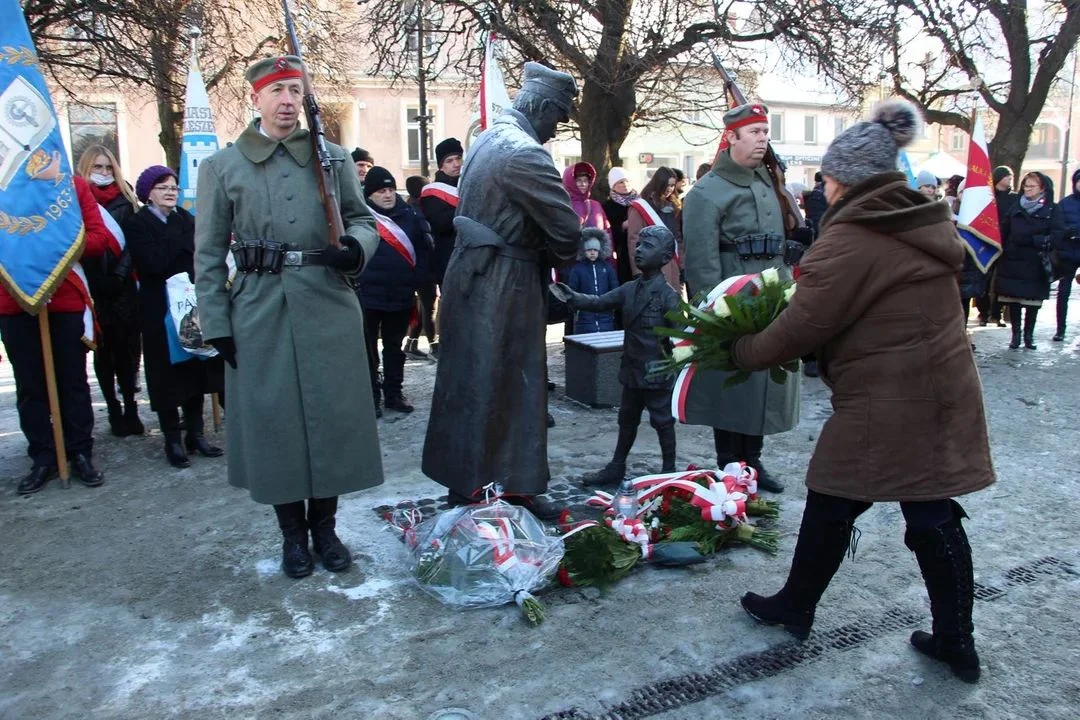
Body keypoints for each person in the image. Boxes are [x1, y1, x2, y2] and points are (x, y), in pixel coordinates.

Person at [733, 99, 994, 684]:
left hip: (890, 395)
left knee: (843, 494)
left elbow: (804, 325)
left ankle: (798, 606)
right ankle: (955, 640)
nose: (822, 189)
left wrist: (741, 351)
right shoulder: (918, 219)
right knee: (916, 504)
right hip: (937, 387)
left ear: (848, 181)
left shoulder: (855, 236)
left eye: (826, 178)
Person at [194, 55, 383, 579]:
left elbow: (364, 219)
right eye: (276, 91)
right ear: (255, 97)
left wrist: (356, 248)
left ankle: (326, 527)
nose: (286, 101)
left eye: (295, 91)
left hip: (327, 300)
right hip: (259, 307)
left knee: (332, 420)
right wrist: (217, 324)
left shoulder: (333, 158)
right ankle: (292, 536)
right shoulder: (223, 166)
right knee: (276, 423)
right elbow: (208, 256)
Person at [422, 62, 581, 520]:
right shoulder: (525, 153)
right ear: (540, 105)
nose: (555, 128)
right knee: (515, 384)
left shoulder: (487, 138)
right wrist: (550, 251)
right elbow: (567, 232)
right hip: (506, 284)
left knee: (474, 380)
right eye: (557, 116)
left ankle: (467, 481)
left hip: (474, 274)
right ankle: (509, 486)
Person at [682, 103, 798, 494]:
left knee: (765, 381)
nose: (762, 138)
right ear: (731, 137)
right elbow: (700, 262)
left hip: (773, 295)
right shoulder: (706, 192)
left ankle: (754, 460)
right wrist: (715, 314)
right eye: (754, 132)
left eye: (766, 132)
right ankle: (730, 464)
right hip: (733, 298)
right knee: (732, 384)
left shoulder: (767, 180)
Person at [0, 176, 109, 494]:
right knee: (31, 387)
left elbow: (98, 238)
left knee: (72, 383)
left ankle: (79, 452)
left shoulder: (72, 185)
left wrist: (53, 242)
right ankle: (43, 456)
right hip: (15, 299)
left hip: (64, 299)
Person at [553, 225, 681, 485]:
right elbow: (599, 302)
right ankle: (616, 466)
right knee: (627, 419)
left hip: (657, 373)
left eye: (647, 246)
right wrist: (573, 297)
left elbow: (680, 337)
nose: (638, 250)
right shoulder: (629, 289)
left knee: (663, 422)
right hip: (633, 369)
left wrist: (674, 367)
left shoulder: (669, 296)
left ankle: (670, 470)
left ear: (666, 258)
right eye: (638, 244)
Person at [125, 165, 225, 469]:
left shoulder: (185, 218)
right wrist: (181, 242)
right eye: (163, 187)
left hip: (190, 307)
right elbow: (151, 263)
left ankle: (196, 434)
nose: (170, 192)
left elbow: (200, 254)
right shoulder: (137, 223)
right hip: (158, 310)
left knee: (196, 370)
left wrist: (180, 243)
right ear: (148, 193)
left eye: (174, 187)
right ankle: (172, 439)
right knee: (166, 377)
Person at [76, 144, 145, 437]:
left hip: (123, 287)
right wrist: (95, 278)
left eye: (107, 167)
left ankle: (131, 405)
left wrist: (118, 276)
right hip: (93, 288)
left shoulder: (127, 199)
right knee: (103, 353)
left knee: (128, 351)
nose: (103, 173)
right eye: (97, 167)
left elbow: (133, 242)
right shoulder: (75, 200)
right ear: (86, 169)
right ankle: (113, 408)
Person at [355, 166, 431, 416]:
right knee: (367, 350)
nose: (387, 195)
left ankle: (394, 393)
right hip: (368, 293)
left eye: (389, 189)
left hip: (400, 293)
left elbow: (422, 250)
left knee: (394, 347)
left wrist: (416, 280)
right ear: (369, 195)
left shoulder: (410, 214)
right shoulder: (360, 216)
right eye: (380, 191)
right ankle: (372, 396)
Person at [996, 171, 1064, 350]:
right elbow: (1004, 228)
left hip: (1036, 260)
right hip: (1013, 259)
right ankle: (1015, 336)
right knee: (1014, 300)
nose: (1027, 189)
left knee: (1032, 302)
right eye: (1026, 185)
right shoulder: (1015, 205)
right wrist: (1002, 246)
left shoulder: (1052, 209)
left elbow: (1058, 235)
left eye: (1032, 186)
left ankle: (1028, 336)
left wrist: (1037, 241)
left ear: (1042, 188)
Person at [420, 137, 464, 359]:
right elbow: (442, 223)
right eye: (449, 160)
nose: (455, 164)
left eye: (458, 158)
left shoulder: (468, 184)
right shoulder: (432, 192)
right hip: (448, 261)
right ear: (441, 165)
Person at [627, 166, 682, 292]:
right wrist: (638, 270)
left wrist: (682, 265)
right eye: (667, 185)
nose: (670, 189)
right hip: (651, 267)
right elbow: (634, 240)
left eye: (673, 185)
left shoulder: (674, 206)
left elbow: (677, 238)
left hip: (673, 264)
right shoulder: (641, 206)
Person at [975, 167, 1016, 327]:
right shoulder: (988, 197)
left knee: (1001, 280)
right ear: (999, 178)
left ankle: (997, 314)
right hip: (987, 242)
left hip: (1006, 243)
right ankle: (983, 313)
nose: (1010, 178)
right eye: (1007, 176)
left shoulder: (1014, 198)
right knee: (984, 279)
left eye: (1011, 176)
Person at [403, 174, 436, 358]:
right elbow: (428, 240)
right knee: (429, 306)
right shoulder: (421, 210)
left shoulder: (408, 208)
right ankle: (434, 345)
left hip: (416, 265)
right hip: (425, 266)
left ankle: (411, 343)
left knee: (424, 306)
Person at [567, 228, 618, 334]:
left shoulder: (607, 268)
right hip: (584, 316)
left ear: (599, 251)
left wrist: (613, 302)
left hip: (606, 314)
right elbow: (572, 290)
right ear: (583, 251)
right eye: (589, 250)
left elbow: (614, 286)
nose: (592, 253)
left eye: (595, 250)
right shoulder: (577, 269)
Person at [1053, 168, 1080, 341]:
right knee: (1063, 292)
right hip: (1068, 252)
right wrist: (1068, 232)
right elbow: (1058, 228)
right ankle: (1060, 329)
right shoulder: (1065, 204)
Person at [601, 167, 637, 285]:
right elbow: (608, 232)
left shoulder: (640, 202)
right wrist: (622, 226)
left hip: (641, 251)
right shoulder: (607, 206)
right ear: (613, 185)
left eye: (627, 181)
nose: (625, 184)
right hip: (622, 255)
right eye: (620, 182)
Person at [563, 161, 610, 232]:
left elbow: (607, 231)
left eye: (586, 180)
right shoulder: (563, 205)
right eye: (578, 180)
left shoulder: (596, 205)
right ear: (570, 182)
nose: (583, 184)